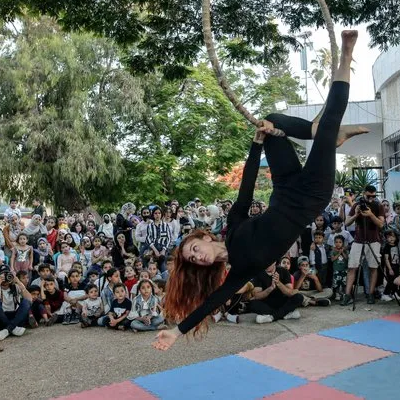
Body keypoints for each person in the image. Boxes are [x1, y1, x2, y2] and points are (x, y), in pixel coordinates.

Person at [157, 30, 364, 350]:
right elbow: (211, 302)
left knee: (268, 122)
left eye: (193, 249)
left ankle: (320, 133)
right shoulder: (241, 270)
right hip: (309, 197)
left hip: (283, 188)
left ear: (204, 238)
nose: (196, 256)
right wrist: (177, 331)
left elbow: (247, 187)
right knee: (329, 124)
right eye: (194, 260)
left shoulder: (234, 225)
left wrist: (256, 145)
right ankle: (347, 54)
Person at [343, 184, 385, 305]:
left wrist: (371, 214)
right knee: (352, 267)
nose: (371, 199)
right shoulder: (356, 205)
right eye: (368, 196)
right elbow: (347, 222)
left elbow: (381, 225)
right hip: (358, 240)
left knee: (373, 267)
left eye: (373, 196)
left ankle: (370, 294)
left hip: (374, 240)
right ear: (363, 194)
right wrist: (356, 214)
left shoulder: (378, 205)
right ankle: (347, 295)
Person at [0, 265, 32, 339]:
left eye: (6, 274)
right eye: (2, 275)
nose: (5, 277)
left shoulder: (16, 285)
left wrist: (18, 281)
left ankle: (8, 330)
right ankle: (12, 328)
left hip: (15, 317)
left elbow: (29, 299)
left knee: (26, 302)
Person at [330, 235, 349, 301]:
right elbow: (332, 259)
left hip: (344, 270)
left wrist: (342, 252)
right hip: (336, 270)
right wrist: (338, 253)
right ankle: (336, 294)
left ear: (343, 243)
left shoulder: (346, 251)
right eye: (336, 242)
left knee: (344, 283)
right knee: (336, 283)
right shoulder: (333, 251)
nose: (338, 244)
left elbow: (347, 259)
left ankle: (344, 294)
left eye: (340, 242)